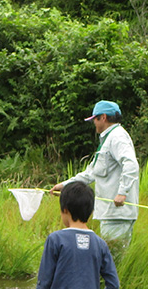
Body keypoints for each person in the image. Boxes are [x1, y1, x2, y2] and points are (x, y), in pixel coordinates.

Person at [52, 100, 139, 257]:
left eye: (94, 119)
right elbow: (90, 173)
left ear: (103, 118)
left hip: (117, 214)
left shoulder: (117, 137)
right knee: (112, 258)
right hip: (110, 214)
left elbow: (131, 164)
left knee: (112, 259)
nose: (93, 123)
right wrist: (65, 185)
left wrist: (122, 193)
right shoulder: (108, 139)